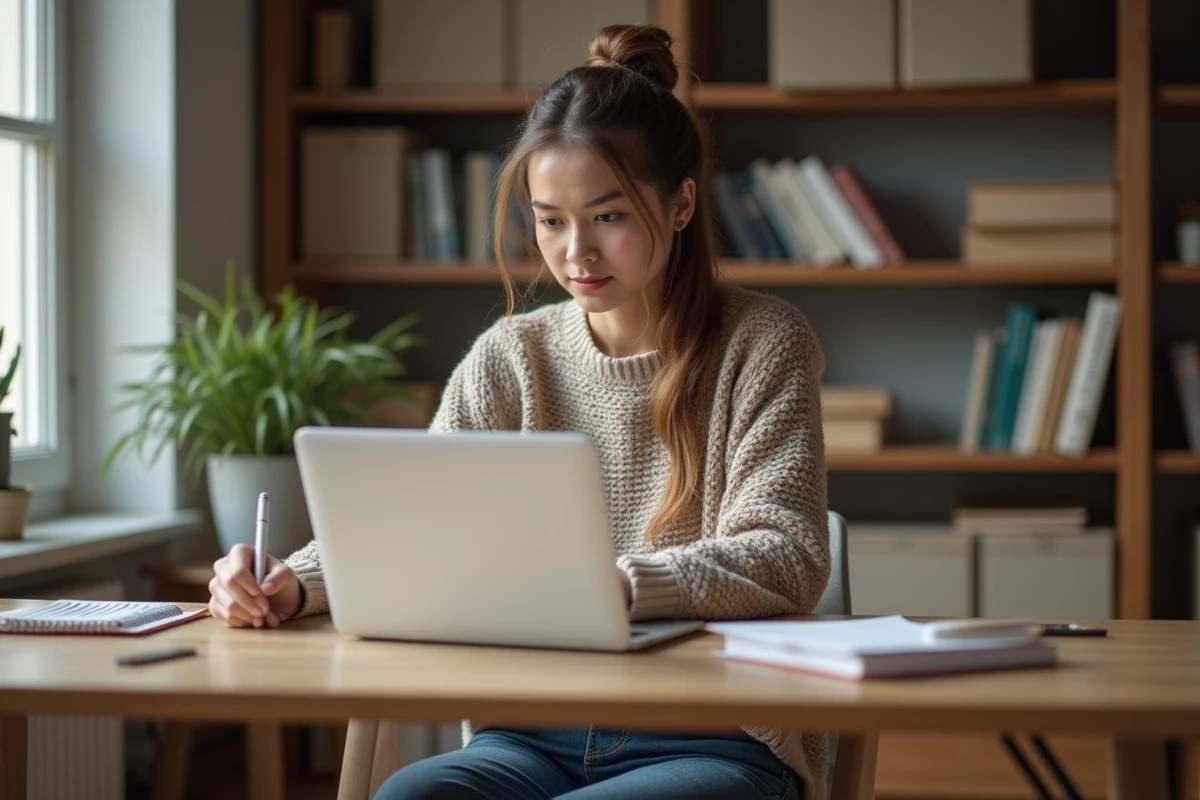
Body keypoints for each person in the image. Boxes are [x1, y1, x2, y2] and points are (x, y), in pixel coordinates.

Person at [207, 23, 830, 800]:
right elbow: (412, 528)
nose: (576, 253)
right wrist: (288, 583)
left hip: (713, 735)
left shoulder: (764, 343)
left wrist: (618, 586)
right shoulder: (511, 355)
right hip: (531, 730)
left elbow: (789, 553)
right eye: (551, 220)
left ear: (680, 204)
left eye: (608, 216)